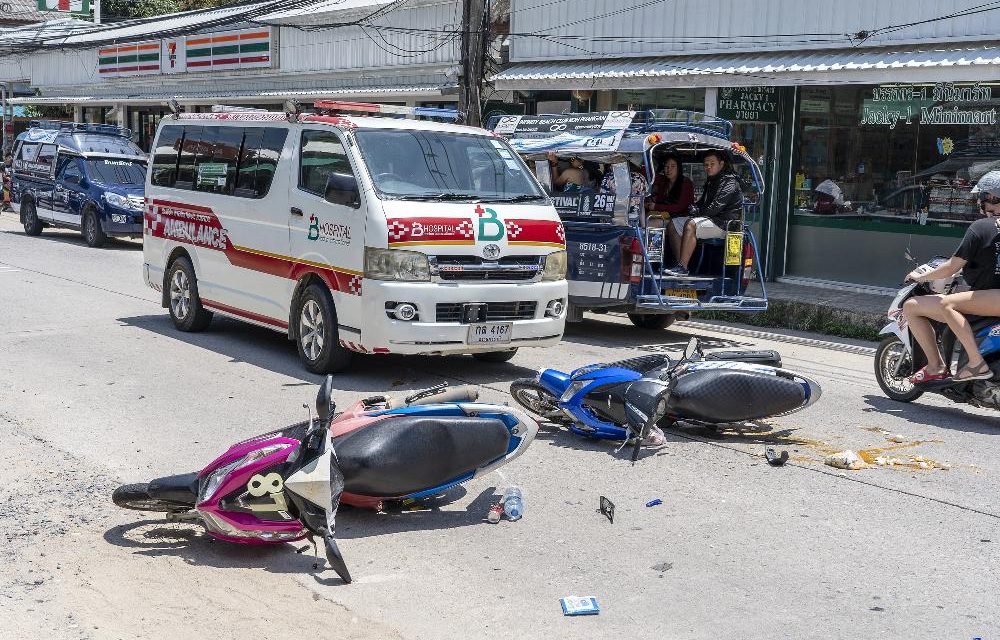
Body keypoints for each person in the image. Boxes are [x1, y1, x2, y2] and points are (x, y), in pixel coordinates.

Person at [903, 170, 1000, 384]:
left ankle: (964, 364)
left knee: (922, 306)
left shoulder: (981, 228)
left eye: (982, 198)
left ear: (990, 198)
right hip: (988, 298)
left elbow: (951, 267)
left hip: (993, 299)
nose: (980, 203)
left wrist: (921, 277)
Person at [663, 150, 743, 276]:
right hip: (712, 220)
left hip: (724, 224)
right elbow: (702, 203)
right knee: (673, 224)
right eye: (706, 165)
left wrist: (697, 212)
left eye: (712, 164)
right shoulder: (711, 181)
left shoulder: (729, 182)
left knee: (691, 224)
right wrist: (693, 207)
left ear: (721, 164)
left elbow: (715, 207)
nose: (708, 167)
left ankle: (683, 267)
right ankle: (681, 264)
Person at [646, 154, 695, 239]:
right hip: (667, 216)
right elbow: (648, 174)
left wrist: (656, 206)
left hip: (681, 218)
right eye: (666, 166)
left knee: (650, 223)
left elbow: (680, 207)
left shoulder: (685, 183)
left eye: (673, 166)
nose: (669, 169)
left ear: (678, 168)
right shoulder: (664, 182)